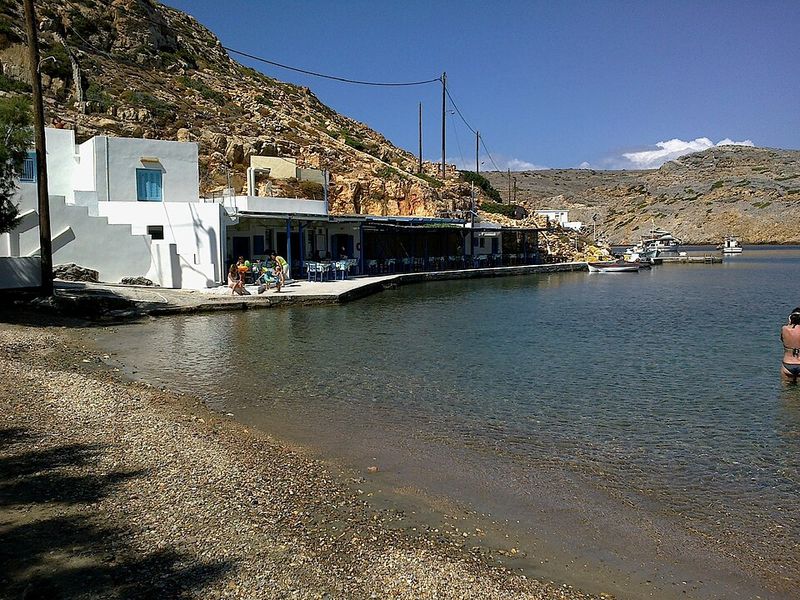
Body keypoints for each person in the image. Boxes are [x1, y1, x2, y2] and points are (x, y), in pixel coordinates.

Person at [780, 307, 800, 382]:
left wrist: (789, 323)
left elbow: (782, 339)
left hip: (787, 364)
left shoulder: (784, 329)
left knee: (786, 392)